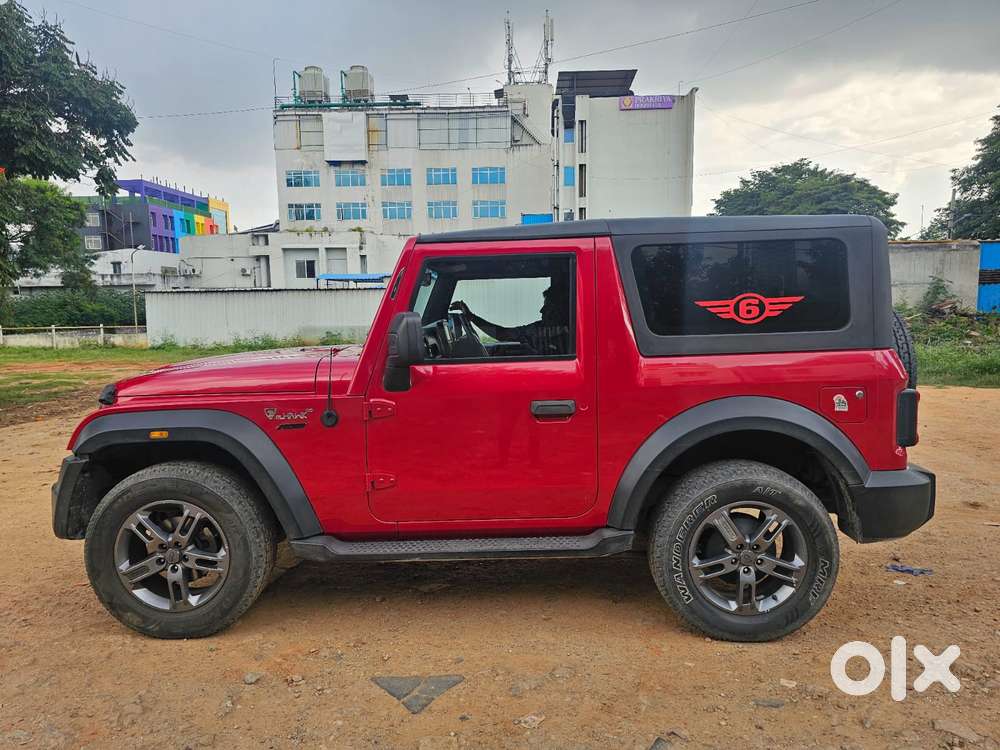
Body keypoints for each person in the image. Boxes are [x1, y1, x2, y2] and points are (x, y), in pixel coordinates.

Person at [449, 278, 572, 356]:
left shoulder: (572, 336)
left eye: (548, 307)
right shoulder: (539, 328)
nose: (542, 311)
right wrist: (472, 317)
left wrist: (533, 354)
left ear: (561, 310)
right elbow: (503, 334)